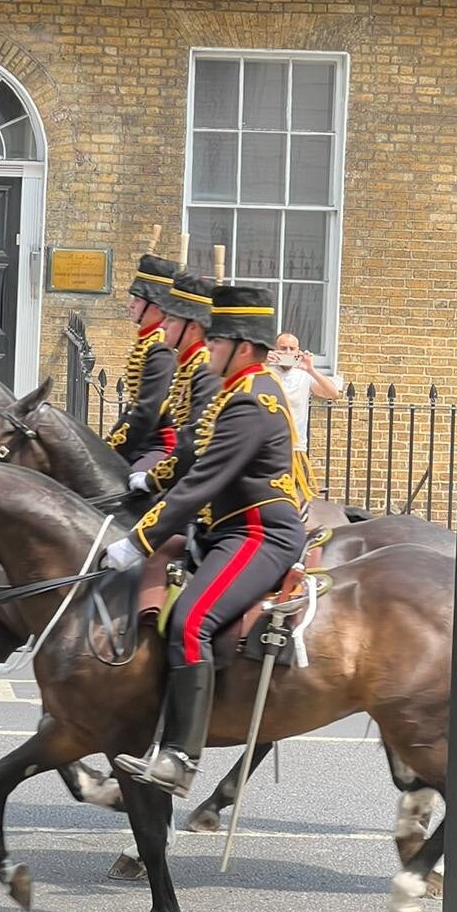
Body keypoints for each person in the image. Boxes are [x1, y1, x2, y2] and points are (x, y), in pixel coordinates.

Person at [108, 284, 311, 799]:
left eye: (217, 341)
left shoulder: (251, 403)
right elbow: (194, 463)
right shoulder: (236, 390)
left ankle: (181, 758)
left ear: (242, 347)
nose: (206, 348)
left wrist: (141, 539)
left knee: (190, 620)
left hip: (259, 530)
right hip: (225, 525)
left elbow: (205, 481)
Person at [126, 270, 220, 484]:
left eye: (171, 319)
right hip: (180, 458)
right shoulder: (188, 363)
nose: (164, 325)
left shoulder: (204, 369)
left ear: (193, 327)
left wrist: (153, 480)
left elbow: (194, 440)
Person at [106, 253, 177, 463]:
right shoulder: (147, 342)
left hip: (160, 444)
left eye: (137, 300)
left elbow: (147, 412)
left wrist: (114, 453)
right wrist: (107, 444)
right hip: (143, 440)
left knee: (136, 489)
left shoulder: (161, 349)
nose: (131, 305)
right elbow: (134, 407)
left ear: (155, 307)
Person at [268, 332, 343, 455]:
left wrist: (311, 370)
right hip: (267, 447)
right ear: (274, 350)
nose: (287, 352)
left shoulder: (304, 375)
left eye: (292, 349)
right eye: (283, 348)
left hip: (295, 448)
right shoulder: (264, 373)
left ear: (298, 352)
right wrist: (262, 363)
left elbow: (333, 393)